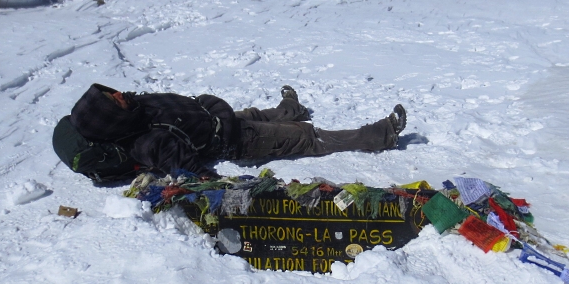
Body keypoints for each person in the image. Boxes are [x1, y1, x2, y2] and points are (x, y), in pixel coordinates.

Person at [66, 83, 406, 179]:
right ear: (111, 119)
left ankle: (291, 107)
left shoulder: (138, 108)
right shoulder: (148, 141)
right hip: (236, 140)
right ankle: (380, 135)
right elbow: (190, 172)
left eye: (110, 92)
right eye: (113, 101)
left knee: (263, 114)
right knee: (306, 137)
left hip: (220, 117)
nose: (119, 95)